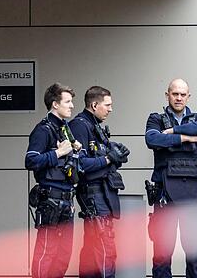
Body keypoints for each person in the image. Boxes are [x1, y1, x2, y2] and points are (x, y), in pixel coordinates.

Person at [145, 78, 197, 278]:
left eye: (183, 94)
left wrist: (173, 132)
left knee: (195, 254)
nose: (179, 98)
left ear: (188, 96)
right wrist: (185, 139)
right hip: (165, 196)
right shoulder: (156, 119)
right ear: (168, 95)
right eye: (175, 94)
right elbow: (152, 138)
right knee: (162, 255)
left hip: (193, 196)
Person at [69, 86, 129, 278]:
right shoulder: (80, 125)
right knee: (105, 251)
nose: (110, 109)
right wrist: (108, 159)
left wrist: (115, 154)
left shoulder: (95, 126)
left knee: (92, 253)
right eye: (107, 105)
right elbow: (80, 164)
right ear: (94, 105)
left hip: (103, 194)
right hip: (93, 195)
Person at [25, 83, 82, 278]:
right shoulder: (43, 129)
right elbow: (31, 160)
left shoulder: (64, 129)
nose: (72, 106)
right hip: (50, 200)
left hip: (67, 199)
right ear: (55, 105)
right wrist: (59, 152)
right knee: (46, 251)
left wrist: (74, 150)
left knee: (63, 254)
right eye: (67, 101)